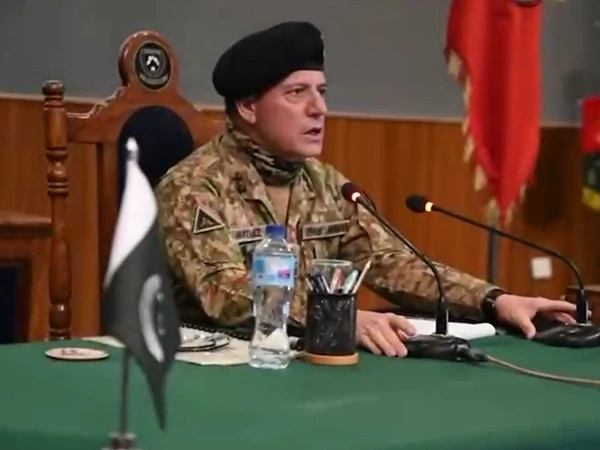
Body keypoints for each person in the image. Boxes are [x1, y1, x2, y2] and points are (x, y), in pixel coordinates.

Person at [155, 21, 577, 357]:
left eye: (321, 92)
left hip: (308, 361)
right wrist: (337, 316)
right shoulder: (194, 187)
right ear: (248, 107)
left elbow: (392, 263)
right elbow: (224, 292)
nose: (319, 108)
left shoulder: (326, 183)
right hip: (216, 369)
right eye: (297, 93)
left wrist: (494, 300)